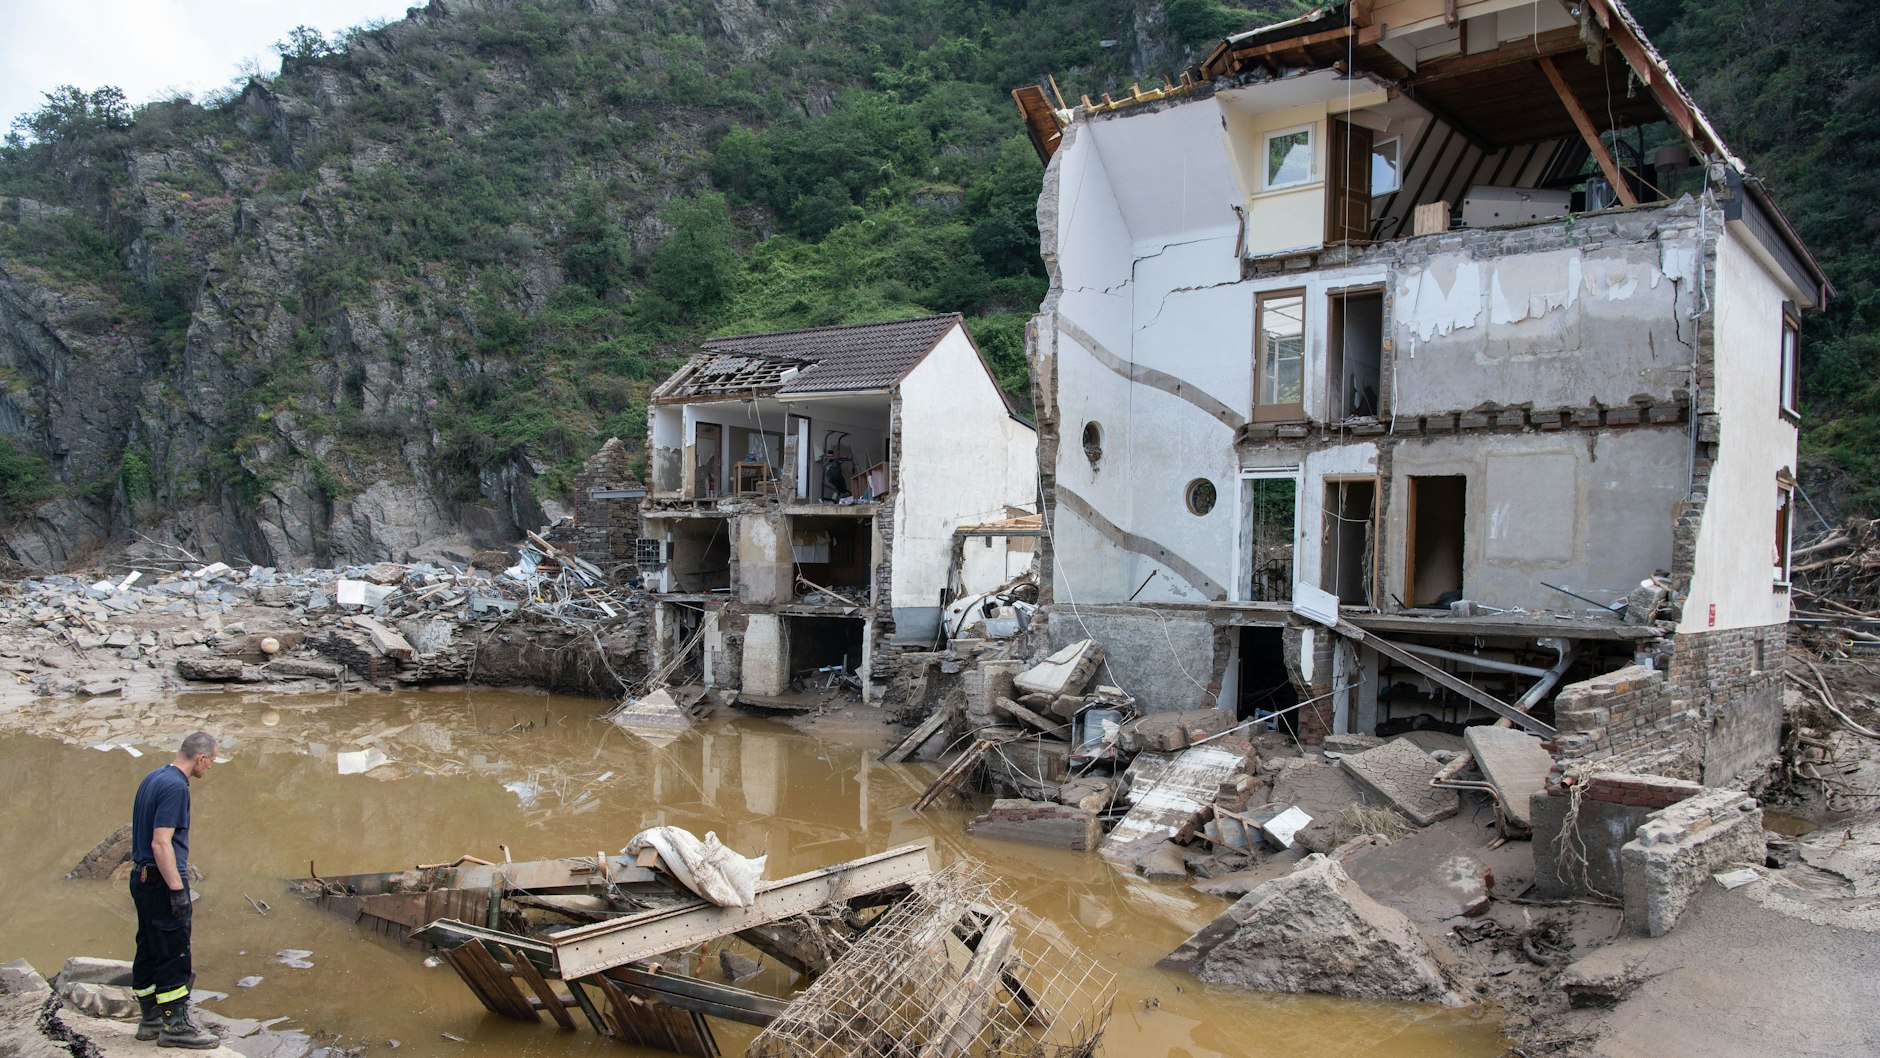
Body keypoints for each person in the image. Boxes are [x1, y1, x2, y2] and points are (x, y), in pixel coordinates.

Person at [129, 732, 219, 1049]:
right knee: (173, 950)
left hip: (140, 876)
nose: (209, 768)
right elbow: (160, 841)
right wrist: (177, 889)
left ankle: (150, 1020)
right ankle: (175, 1026)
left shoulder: (154, 777)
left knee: (149, 945)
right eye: (211, 762)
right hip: (160, 879)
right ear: (201, 758)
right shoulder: (176, 787)